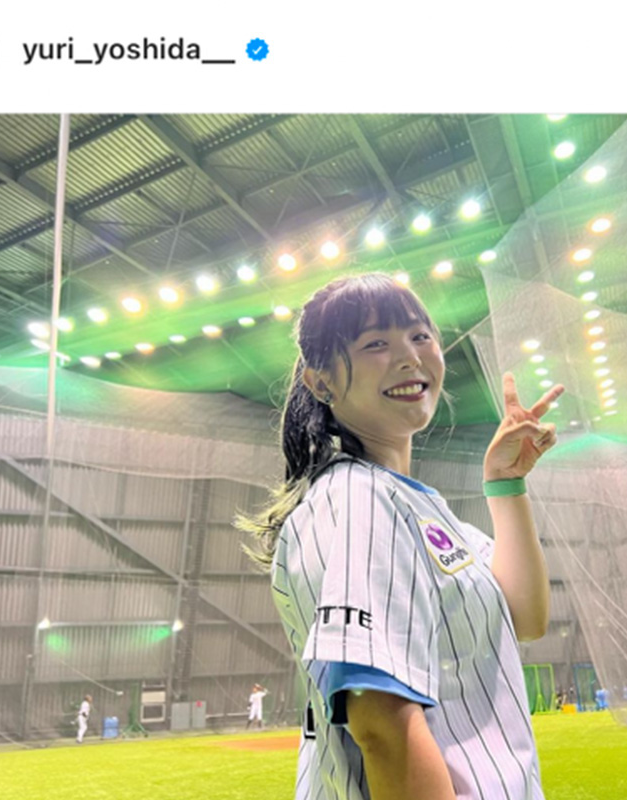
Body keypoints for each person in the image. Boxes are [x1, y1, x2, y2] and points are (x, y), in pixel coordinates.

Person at [238, 273, 563, 800]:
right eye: (376, 344)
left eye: (419, 336)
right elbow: (383, 726)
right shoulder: (357, 499)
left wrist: (505, 484)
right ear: (321, 383)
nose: (409, 356)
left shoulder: (418, 508)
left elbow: (525, 618)